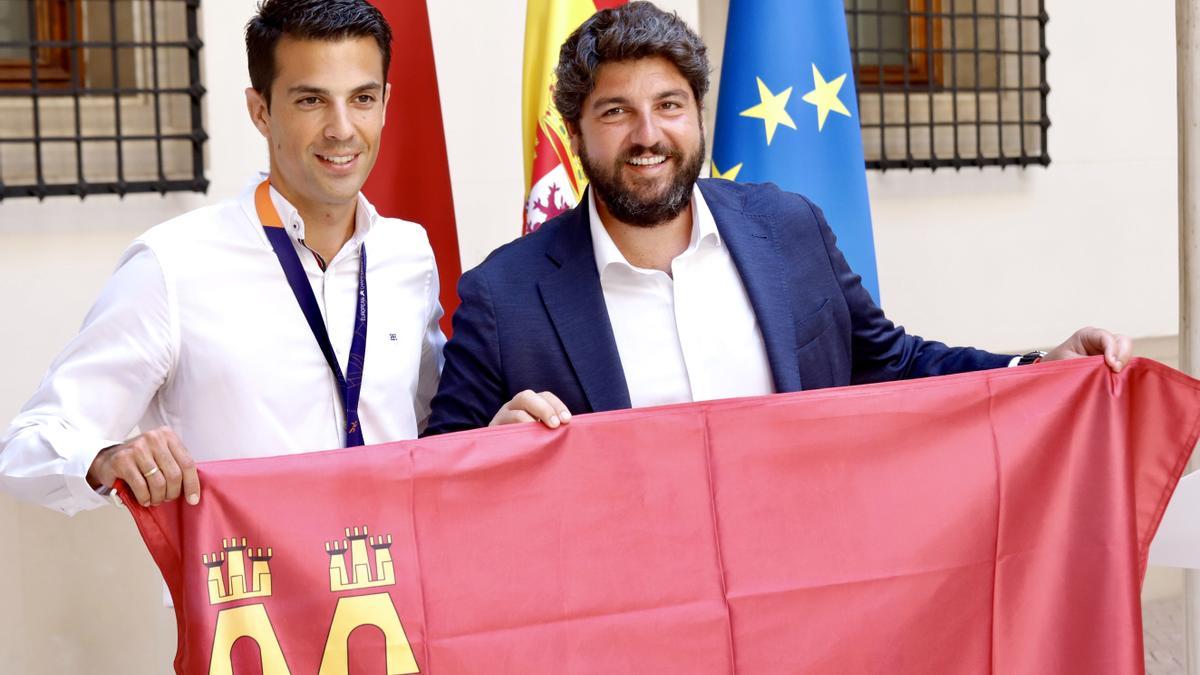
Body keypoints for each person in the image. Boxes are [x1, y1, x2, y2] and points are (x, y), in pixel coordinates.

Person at [426, 1, 1131, 435]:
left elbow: (896, 364)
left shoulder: (789, 229)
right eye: (616, 111)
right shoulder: (503, 296)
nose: (648, 134)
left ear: (698, 116)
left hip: (793, 599)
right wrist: (491, 445)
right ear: (576, 133)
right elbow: (443, 469)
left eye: (669, 105)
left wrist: (1040, 366)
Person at [0, 0, 444, 515]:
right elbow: (26, 447)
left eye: (362, 98)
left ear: (386, 103)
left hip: (385, 588)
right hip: (245, 591)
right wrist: (107, 457)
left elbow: (429, 429)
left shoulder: (408, 254)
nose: (342, 128)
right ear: (260, 110)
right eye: (311, 101)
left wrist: (502, 437)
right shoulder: (172, 264)